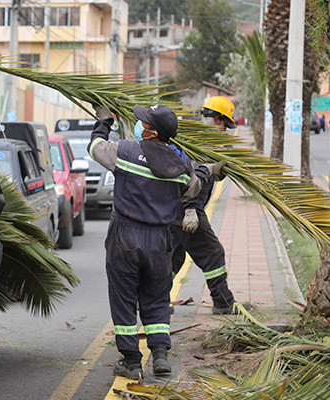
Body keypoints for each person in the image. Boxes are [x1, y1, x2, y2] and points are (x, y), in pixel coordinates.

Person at [88, 104, 225, 379]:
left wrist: (104, 122)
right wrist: (207, 170)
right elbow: (192, 188)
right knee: (157, 296)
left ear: (151, 132)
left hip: (125, 235)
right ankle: (160, 355)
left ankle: (131, 361)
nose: (140, 125)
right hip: (160, 240)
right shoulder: (179, 164)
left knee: (124, 297)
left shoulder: (126, 151)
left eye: (144, 123)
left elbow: (95, 148)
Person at [171, 96, 253, 315]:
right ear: (216, 119)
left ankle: (153, 301)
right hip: (187, 208)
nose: (225, 128)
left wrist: (222, 168)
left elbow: (210, 174)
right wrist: (190, 208)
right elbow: (188, 176)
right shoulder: (197, 143)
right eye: (224, 123)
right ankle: (223, 301)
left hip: (175, 208)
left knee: (173, 257)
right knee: (213, 253)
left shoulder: (203, 140)